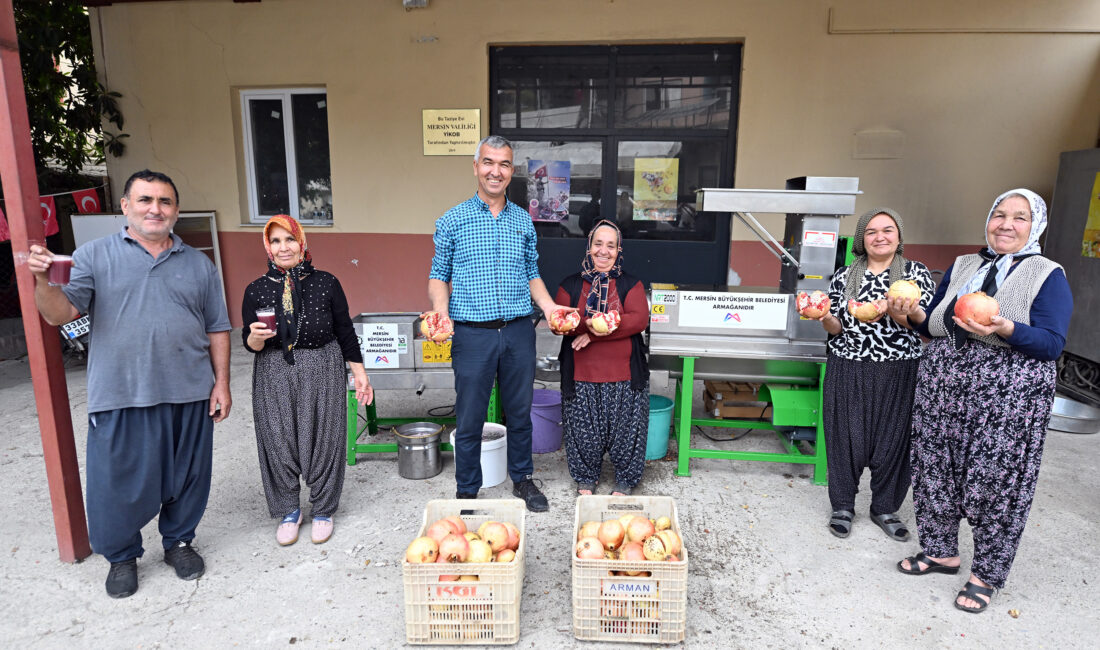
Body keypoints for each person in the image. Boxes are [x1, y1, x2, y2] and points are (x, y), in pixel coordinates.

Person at [28, 170, 231, 599]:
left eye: (164, 201)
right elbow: (59, 314)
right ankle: (121, 556)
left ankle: (179, 541)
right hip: (121, 392)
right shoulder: (93, 256)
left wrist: (222, 383)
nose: (155, 209)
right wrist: (43, 280)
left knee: (188, 475)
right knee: (117, 481)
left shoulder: (199, 264)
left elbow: (217, 327)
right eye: (145, 200)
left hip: (190, 389)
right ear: (125, 206)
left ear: (176, 210)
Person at [895, 189, 1073, 614]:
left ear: (1036, 226)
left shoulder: (1047, 274)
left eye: (1020, 217)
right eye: (999, 214)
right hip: (943, 389)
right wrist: (909, 313)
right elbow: (934, 323)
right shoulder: (963, 265)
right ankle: (940, 552)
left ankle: (986, 574)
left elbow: (1052, 344)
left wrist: (1006, 327)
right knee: (934, 469)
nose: (1006, 224)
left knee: (996, 483)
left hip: (1006, 398)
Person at [427, 135, 574, 512]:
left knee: (519, 410)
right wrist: (441, 311)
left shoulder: (523, 219)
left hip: (518, 330)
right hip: (472, 333)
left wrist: (551, 307)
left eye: (504, 164)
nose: (496, 171)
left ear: (512, 171)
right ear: (476, 167)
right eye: (489, 162)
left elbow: (531, 273)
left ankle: (523, 479)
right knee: (470, 414)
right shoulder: (453, 219)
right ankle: (467, 490)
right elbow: (438, 274)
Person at [241, 215, 372, 546]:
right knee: (278, 438)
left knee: (324, 436)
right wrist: (255, 338)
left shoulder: (327, 282)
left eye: (289, 239)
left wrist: (360, 375)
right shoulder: (255, 290)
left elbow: (345, 331)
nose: (283, 247)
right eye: (275, 241)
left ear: (302, 243)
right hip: (273, 370)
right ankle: (288, 510)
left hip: (323, 365)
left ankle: (324, 509)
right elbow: (249, 342)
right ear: (267, 248)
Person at [804, 208, 934, 541]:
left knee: (893, 441)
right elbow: (836, 329)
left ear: (899, 236)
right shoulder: (845, 275)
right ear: (862, 239)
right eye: (872, 231)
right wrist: (823, 317)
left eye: (888, 230)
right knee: (845, 439)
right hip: (848, 365)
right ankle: (843, 505)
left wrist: (897, 311)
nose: (880, 237)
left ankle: (885, 508)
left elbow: (926, 328)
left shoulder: (915, 275)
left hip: (899, 368)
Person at [554, 220, 650, 496]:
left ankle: (625, 479)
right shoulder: (570, 285)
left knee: (626, 431)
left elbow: (639, 320)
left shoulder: (631, 284)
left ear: (619, 250)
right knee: (583, 432)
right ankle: (586, 476)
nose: (603, 251)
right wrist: (600, 323)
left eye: (611, 245)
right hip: (581, 374)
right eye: (598, 244)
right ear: (589, 246)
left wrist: (592, 333)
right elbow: (563, 322)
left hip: (625, 375)